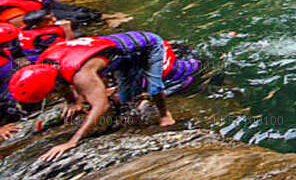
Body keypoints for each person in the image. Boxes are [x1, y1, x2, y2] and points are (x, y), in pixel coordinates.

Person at [8, 31, 195, 160]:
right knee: (126, 98)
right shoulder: (46, 63)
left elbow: (101, 106)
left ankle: (165, 115)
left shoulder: (81, 74)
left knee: (154, 87)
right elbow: (61, 82)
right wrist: (73, 102)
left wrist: (73, 141)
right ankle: (138, 96)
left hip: (148, 45)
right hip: (121, 56)